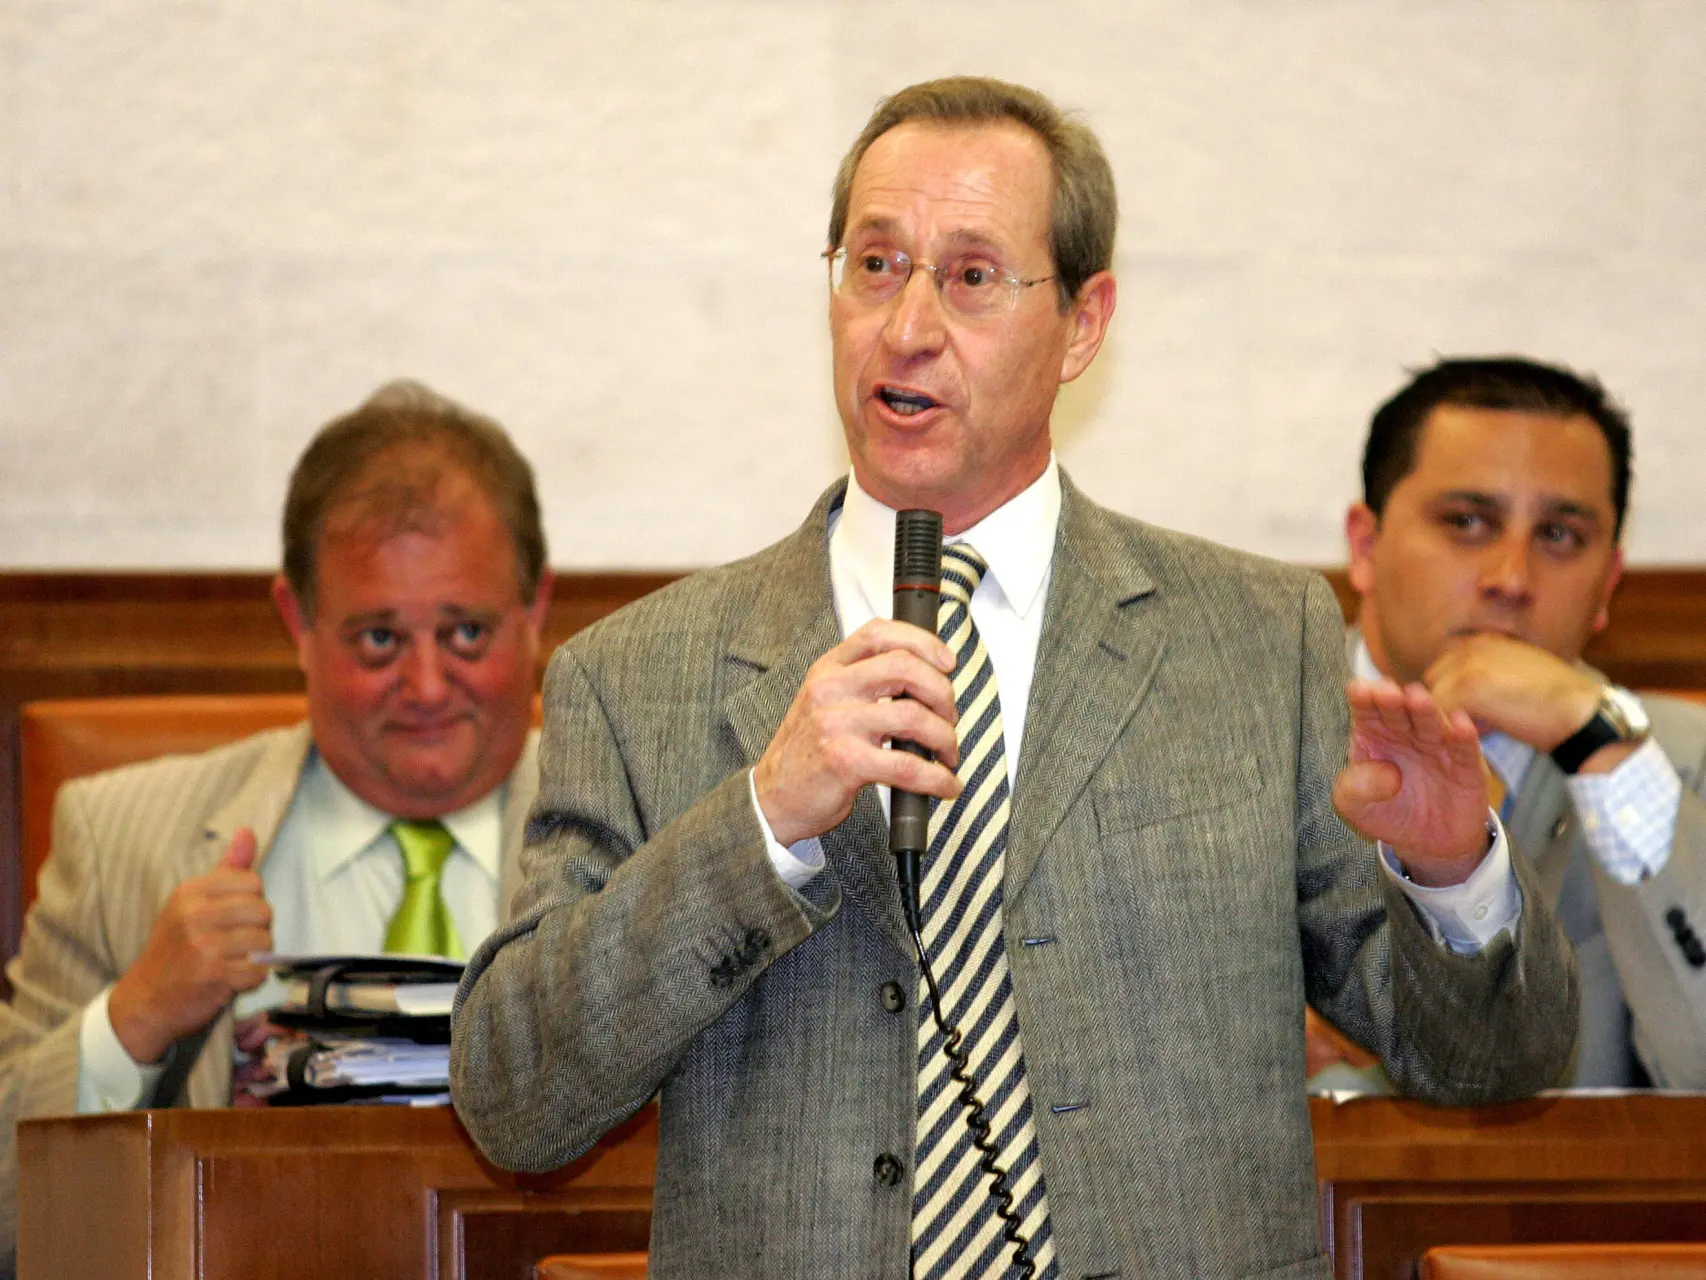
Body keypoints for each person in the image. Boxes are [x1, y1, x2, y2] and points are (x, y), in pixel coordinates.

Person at [452, 79, 1576, 1279]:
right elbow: (516, 1100)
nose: (906, 327)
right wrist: (761, 818)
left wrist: (1454, 874)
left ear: (1083, 323)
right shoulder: (636, 675)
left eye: (973, 275)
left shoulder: (1258, 641)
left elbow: (1480, 1063)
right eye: (874, 264)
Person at [0, 380, 552, 1270]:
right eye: (378, 638)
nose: (424, 686)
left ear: (534, 613)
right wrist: (134, 1020)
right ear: (296, 621)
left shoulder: (641, 837)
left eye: (466, 634)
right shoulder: (121, 842)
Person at [1321, 355, 1706, 1090]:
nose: (1511, 579)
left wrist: (1596, 744)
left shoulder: (1684, 765)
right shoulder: (1233, 744)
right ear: (1365, 548)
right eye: (1467, 522)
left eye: (1559, 535)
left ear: (1608, 584)